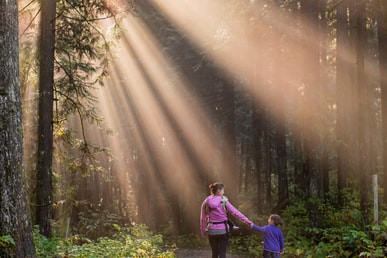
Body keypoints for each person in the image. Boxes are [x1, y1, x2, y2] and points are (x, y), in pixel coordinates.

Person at [200, 182, 252, 258]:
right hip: (223, 231)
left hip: (211, 231)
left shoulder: (206, 201)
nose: (224, 192)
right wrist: (248, 221)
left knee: (214, 253)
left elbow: (202, 218)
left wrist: (203, 230)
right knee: (222, 253)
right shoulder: (224, 201)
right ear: (218, 191)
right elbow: (235, 212)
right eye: (223, 190)